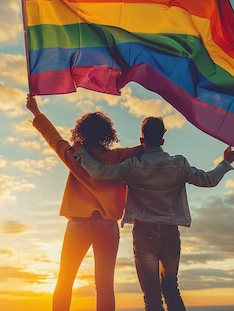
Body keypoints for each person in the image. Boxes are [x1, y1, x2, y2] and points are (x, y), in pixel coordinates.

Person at [74, 117, 234, 311]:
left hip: (144, 235)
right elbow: (209, 179)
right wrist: (225, 163)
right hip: (170, 235)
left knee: (152, 297)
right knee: (171, 290)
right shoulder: (179, 164)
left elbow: (100, 172)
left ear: (142, 141)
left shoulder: (132, 166)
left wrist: (81, 153)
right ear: (162, 141)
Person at [25, 94, 141, 311]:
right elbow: (142, 150)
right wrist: (149, 141)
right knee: (105, 285)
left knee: (65, 280)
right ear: (107, 135)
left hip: (79, 224)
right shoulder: (118, 156)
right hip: (107, 226)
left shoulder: (73, 155)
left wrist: (37, 113)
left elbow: (54, 138)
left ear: (82, 133)